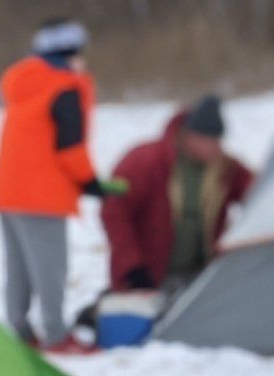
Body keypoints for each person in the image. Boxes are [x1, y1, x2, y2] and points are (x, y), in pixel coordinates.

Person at [0, 18, 126, 355]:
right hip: (42, 197)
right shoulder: (65, 88)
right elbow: (70, 148)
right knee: (51, 269)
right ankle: (56, 335)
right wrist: (91, 183)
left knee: (18, 268)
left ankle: (19, 331)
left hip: (7, 192)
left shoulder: (23, 83)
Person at [101, 94, 256, 297]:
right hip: (147, 279)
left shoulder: (226, 169)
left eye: (219, 140)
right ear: (190, 135)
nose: (217, 147)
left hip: (201, 278)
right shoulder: (143, 161)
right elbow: (114, 212)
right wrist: (132, 268)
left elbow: (259, 194)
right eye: (211, 140)